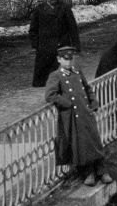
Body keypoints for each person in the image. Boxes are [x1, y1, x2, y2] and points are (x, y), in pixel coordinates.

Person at [46, 45, 111, 186]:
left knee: (94, 140)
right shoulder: (56, 76)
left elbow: (87, 88)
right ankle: (88, 173)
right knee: (80, 145)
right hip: (71, 117)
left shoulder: (77, 72)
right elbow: (50, 95)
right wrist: (67, 103)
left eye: (71, 59)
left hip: (86, 112)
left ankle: (102, 170)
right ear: (59, 59)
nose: (69, 62)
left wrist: (93, 101)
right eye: (65, 59)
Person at [28, 0, 80, 88]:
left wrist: (75, 45)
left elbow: (73, 28)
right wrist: (36, 45)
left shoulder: (64, 8)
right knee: (44, 77)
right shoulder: (39, 10)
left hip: (62, 45)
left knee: (64, 73)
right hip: (45, 48)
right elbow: (33, 30)